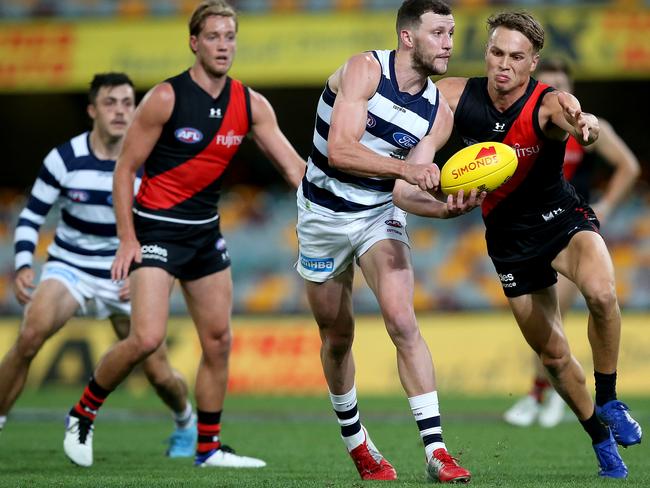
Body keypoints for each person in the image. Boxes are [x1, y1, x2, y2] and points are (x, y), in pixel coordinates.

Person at [62, 0, 305, 469]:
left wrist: (338, 202)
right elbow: (124, 170)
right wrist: (128, 239)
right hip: (156, 231)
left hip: (204, 235)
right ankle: (83, 412)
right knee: (147, 338)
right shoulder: (165, 98)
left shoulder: (250, 104)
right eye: (213, 36)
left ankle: (208, 448)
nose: (222, 45)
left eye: (229, 37)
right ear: (194, 42)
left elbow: (295, 169)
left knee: (218, 341)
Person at [436, 12, 642, 479]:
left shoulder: (548, 103)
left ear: (533, 63)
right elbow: (422, 138)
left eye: (515, 57)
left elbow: (575, 117)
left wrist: (584, 126)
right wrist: (426, 173)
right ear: (486, 53)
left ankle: (609, 400)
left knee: (603, 294)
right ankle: (599, 437)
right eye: (496, 53)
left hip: (562, 220)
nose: (503, 65)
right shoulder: (452, 95)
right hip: (509, 240)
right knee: (552, 356)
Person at [296, 0, 484, 482]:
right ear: (408, 37)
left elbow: (406, 190)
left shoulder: (437, 112)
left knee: (403, 320)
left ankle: (437, 451)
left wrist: (447, 208)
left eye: (451, 33)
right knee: (337, 337)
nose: (449, 43)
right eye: (439, 33)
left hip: (379, 215)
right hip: (321, 218)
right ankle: (357, 442)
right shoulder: (365, 70)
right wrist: (410, 169)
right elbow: (339, 150)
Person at [1, 73, 197, 458]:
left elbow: (169, 231)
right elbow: (30, 217)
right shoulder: (63, 159)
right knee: (29, 336)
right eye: (111, 102)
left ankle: (184, 419)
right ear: (92, 110)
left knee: (158, 373)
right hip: (70, 266)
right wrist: (24, 264)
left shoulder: (152, 161)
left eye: (128, 102)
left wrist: (145, 274)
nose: (121, 111)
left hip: (127, 272)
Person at [503, 58, 641, 429]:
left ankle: (547, 396)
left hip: (570, 229)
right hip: (529, 230)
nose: (552, 94)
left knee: (557, 315)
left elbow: (628, 165)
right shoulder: (523, 124)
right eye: (544, 86)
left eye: (559, 86)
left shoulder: (585, 128)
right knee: (547, 320)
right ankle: (544, 394)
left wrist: (607, 206)